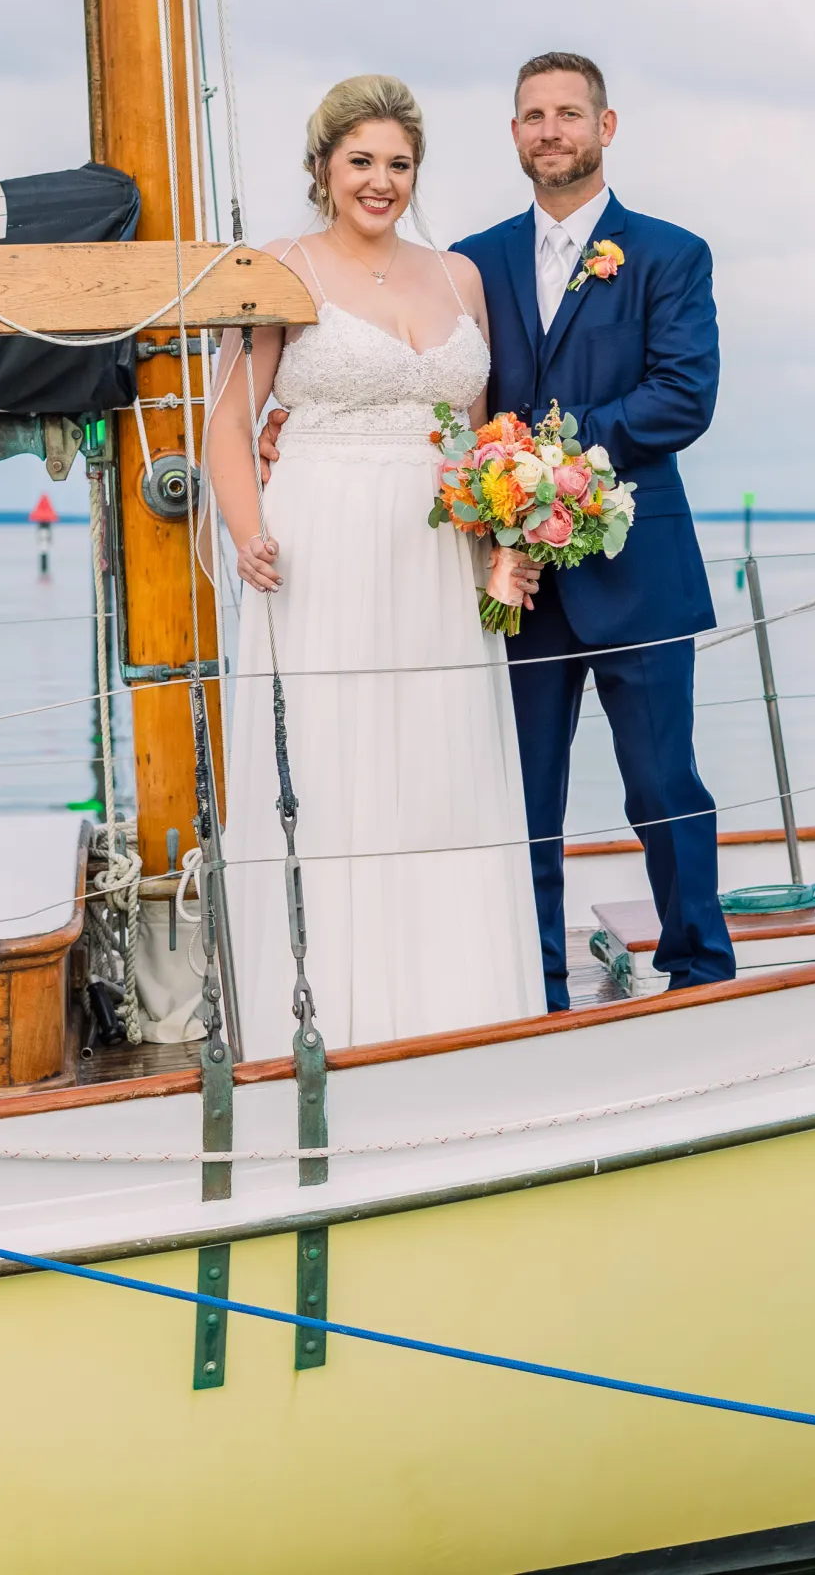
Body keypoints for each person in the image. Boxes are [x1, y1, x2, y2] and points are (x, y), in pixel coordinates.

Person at [201, 74, 544, 1054]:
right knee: (334, 769)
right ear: (324, 168)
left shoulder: (459, 279)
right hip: (323, 544)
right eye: (362, 162)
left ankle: (460, 1012)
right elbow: (232, 420)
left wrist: (506, 537)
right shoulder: (281, 267)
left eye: (398, 165)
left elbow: (479, 433)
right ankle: (326, 1020)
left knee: (442, 773)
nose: (381, 182)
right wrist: (245, 529)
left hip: (439, 555)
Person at [451, 53, 735, 1010]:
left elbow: (682, 398)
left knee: (664, 785)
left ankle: (699, 969)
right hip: (515, 580)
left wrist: (558, 459)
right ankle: (539, 986)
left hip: (636, 564)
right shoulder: (472, 261)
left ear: (606, 128)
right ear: (516, 132)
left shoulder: (668, 254)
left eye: (569, 114)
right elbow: (452, 397)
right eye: (533, 115)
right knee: (526, 800)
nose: (551, 131)